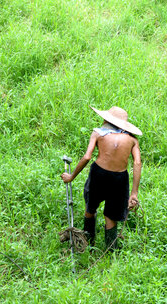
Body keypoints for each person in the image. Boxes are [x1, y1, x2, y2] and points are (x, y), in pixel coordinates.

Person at [61, 106, 142, 250]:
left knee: (90, 208)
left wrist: (71, 176)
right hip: (120, 178)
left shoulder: (98, 133)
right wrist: (134, 193)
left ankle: (87, 241)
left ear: (106, 119)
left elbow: (87, 156)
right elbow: (137, 163)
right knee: (111, 215)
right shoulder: (132, 140)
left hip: (99, 175)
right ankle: (111, 250)